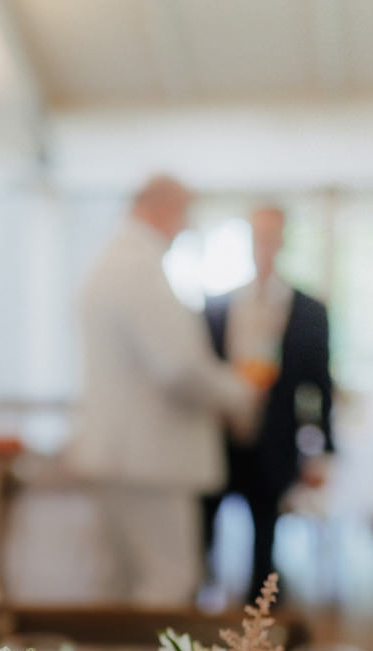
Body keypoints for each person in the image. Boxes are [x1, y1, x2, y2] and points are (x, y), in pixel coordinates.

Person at [69, 175, 256, 605]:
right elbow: (178, 367)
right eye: (185, 213)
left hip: (121, 455)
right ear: (159, 208)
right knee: (167, 584)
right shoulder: (137, 266)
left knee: (117, 585)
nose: (186, 226)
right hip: (149, 459)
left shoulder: (109, 262)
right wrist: (239, 392)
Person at [202, 204, 334, 601]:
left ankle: (257, 634)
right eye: (258, 236)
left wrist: (322, 451)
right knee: (204, 538)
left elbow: (320, 385)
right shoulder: (217, 307)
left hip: (274, 443)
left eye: (271, 236)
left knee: (264, 549)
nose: (264, 245)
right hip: (219, 442)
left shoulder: (309, 311)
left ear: (282, 242)